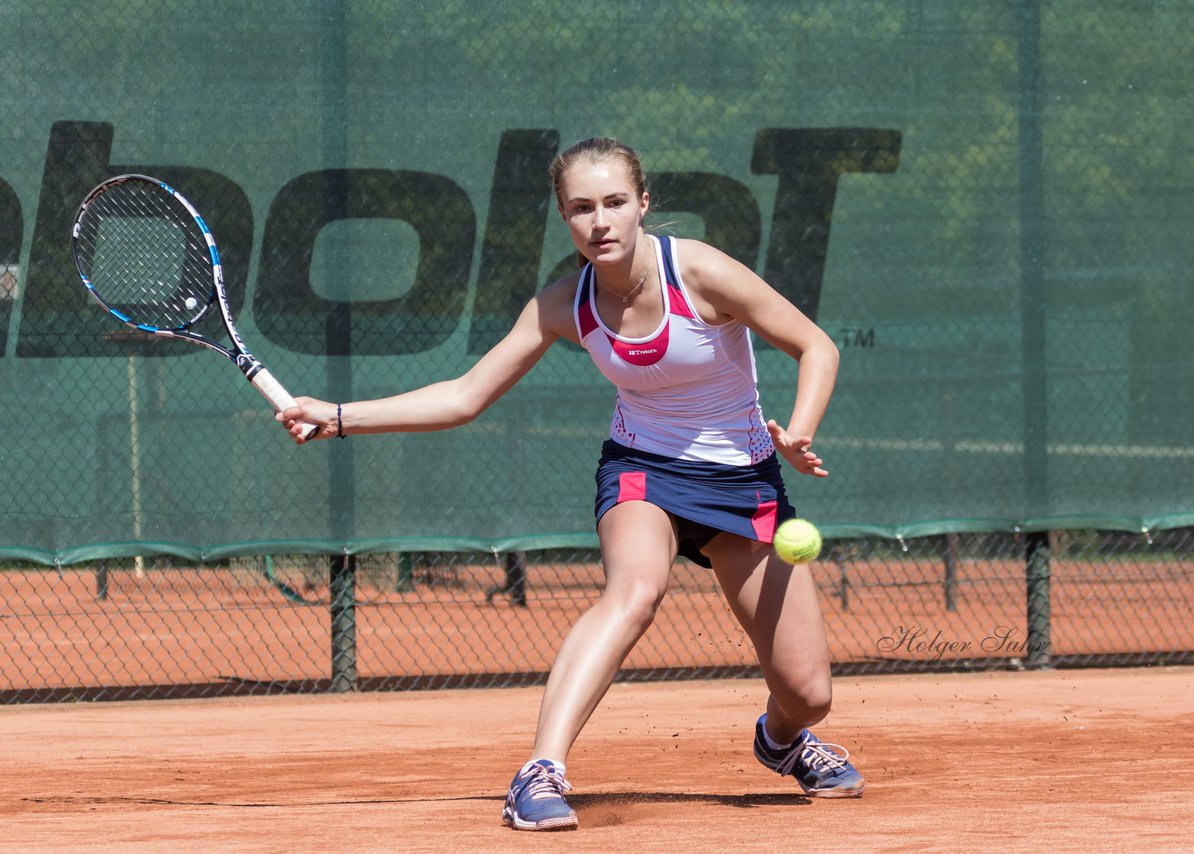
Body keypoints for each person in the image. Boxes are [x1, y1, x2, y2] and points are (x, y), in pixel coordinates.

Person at [277, 136, 864, 831]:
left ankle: (784, 739)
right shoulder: (564, 304)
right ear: (565, 217)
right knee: (634, 592)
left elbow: (814, 345)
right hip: (643, 469)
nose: (601, 221)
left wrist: (798, 430)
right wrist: (340, 417)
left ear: (643, 203)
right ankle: (540, 771)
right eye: (582, 208)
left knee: (809, 692)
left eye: (615, 202)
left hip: (744, 481)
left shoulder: (701, 273)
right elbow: (466, 396)